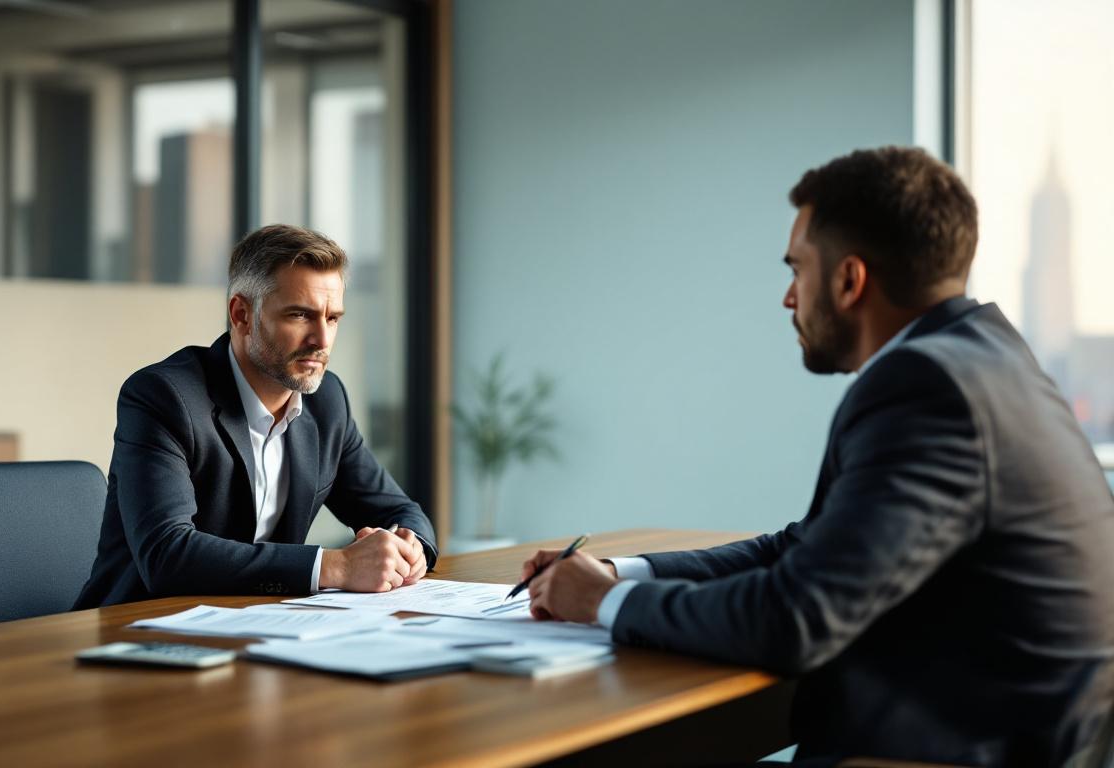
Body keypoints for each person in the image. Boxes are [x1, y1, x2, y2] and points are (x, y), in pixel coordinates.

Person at [521, 147, 1114, 766]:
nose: (787, 297)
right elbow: (801, 549)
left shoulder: (925, 387)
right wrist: (621, 574)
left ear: (848, 280)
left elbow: (795, 620)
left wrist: (601, 604)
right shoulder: (989, 362)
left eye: (796, 269)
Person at [76, 224, 436, 608]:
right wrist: (336, 566)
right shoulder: (164, 397)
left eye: (332, 318)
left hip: (259, 629)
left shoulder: (326, 401)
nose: (322, 340)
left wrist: (408, 547)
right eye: (300, 315)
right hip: (136, 635)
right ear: (242, 314)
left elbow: (401, 511)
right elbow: (167, 554)